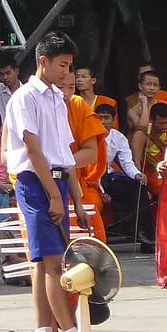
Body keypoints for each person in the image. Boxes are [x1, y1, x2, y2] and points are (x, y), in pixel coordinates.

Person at [4, 32, 91, 332]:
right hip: (35, 180)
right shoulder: (25, 97)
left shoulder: (57, 98)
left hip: (57, 181)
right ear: (44, 61)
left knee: (43, 261)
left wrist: (73, 197)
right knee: (55, 262)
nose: (67, 73)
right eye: (63, 65)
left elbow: (63, 154)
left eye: (70, 66)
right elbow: (33, 149)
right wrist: (54, 195)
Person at [61, 76, 109, 243]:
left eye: (71, 87)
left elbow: (91, 154)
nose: (66, 94)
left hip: (75, 182)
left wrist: (62, 164)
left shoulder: (77, 105)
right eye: (61, 87)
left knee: (94, 241)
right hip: (39, 186)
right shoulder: (29, 103)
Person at [97, 103, 150, 243]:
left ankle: (145, 234)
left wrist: (137, 174)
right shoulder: (90, 135)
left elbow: (127, 163)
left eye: (106, 118)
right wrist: (101, 191)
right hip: (92, 179)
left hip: (109, 176)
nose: (102, 122)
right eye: (99, 117)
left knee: (138, 187)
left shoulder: (118, 137)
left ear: (114, 120)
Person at [124, 69, 167, 137]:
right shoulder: (133, 111)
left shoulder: (166, 107)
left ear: (159, 88)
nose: (152, 88)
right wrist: (144, 105)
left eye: (155, 85)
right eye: (148, 84)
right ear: (140, 86)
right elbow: (142, 128)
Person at [74, 64, 117, 130]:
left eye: (84, 77)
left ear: (93, 80)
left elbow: (113, 128)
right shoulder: (73, 102)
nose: (79, 80)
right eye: (77, 77)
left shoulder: (109, 102)